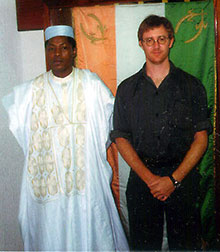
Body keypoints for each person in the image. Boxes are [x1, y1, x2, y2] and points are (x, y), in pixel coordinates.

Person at [2, 25, 129, 251]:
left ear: (74, 51)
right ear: (46, 52)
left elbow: (109, 127)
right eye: (51, 49)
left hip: (87, 182)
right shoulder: (30, 91)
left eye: (63, 48)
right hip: (49, 188)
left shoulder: (92, 85)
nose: (57, 54)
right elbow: (17, 125)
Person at [111, 15, 212, 251]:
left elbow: (201, 139)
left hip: (182, 178)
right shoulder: (126, 89)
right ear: (140, 44)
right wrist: (150, 180)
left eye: (161, 39)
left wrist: (173, 180)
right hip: (142, 179)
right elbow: (120, 137)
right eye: (149, 40)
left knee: (186, 245)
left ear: (171, 41)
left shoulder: (192, 86)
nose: (155, 46)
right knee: (144, 246)